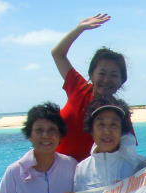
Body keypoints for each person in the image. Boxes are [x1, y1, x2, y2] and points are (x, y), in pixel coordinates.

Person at [52, 13, 130, 162]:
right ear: (91, 74)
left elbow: (128, 153)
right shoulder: (78, 88)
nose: (106, 80)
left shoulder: (119, 113)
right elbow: (57, 54)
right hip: (58, 171)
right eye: (102, 73)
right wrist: (79, 29)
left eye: (114, 75)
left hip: (90, 175)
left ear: (122, 81)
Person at [61, 97, 145, 193]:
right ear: (91, 130)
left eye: (113, 125)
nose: (107, 131)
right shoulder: (81, 169)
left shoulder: (139, 166)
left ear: (122, 130)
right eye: (101, 124)